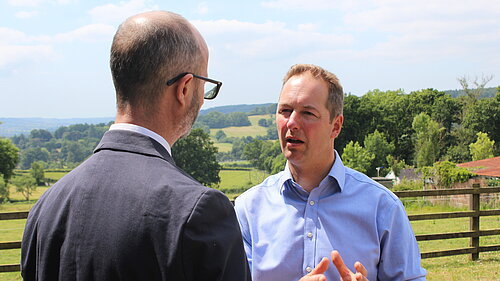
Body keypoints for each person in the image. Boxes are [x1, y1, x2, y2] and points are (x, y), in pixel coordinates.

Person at [21, 11, 251, 281]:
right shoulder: (197, 211)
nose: (203, 99)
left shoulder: (48, 206)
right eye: (204, 85)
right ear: (185, 88)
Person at [235, 64, 427, 281]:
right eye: (285, 111)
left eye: (307, 113)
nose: (291, 123)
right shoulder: (248, 210)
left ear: (335, 126)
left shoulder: (382, 207)